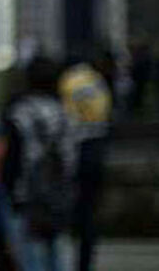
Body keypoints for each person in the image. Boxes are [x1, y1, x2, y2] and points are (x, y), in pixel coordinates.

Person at [1, 55, 75, 271]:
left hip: (26, 198)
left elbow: (12, 160)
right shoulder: (63, 113)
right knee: (58, 257)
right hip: (58, 197)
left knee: (31, 259)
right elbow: (70, 157)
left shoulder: (18, 113)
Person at [59, 54, 113, 271]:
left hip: (76, 150)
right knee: (90, 212)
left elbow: (65, 118)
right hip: (97, 149)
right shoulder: (97, 80)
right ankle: (85, 262)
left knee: (67, 211)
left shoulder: (68, 81)